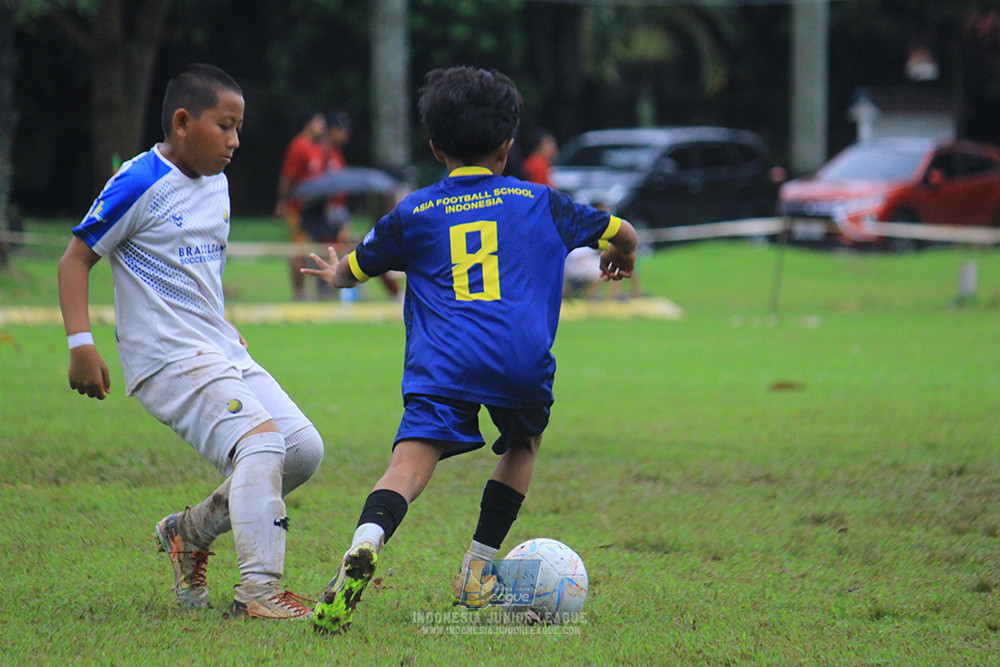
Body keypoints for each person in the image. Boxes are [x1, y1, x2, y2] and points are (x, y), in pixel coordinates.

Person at [302, 66, 637, 635]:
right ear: (507, 145)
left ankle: (368, 539)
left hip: (444, 364)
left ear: (436, 146)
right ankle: (477, 569)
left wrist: (335, 272)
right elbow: (622, 231)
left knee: (409, 462)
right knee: (523, 444)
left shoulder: (414, 212)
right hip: (519, 362)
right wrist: (622, 256)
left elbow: (354, 270)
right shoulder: (542, 202)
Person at [57, 64, 323, 620]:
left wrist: (218, 321)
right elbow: (75, 260)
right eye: (225, 126)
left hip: (216, 346)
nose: (235, 141)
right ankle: (259, 592)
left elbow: (192, 267)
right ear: (182, 122)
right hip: (166, 356)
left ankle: (190, 531)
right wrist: (81, 344)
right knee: (261, 445)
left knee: (302, 449)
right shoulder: (139, 181)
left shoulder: (217, 183)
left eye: (238, 128)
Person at [275, 109, 328, 300]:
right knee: (299, 249)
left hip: (314, 210)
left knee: (317, 248)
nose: (322, 126)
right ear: (308, 124)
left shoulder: (318, 148)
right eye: (318, 122)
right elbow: (287, 177)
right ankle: (299, 292)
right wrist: (282, 202)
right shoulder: (298, 146)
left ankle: (321, 290)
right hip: (298, 208)